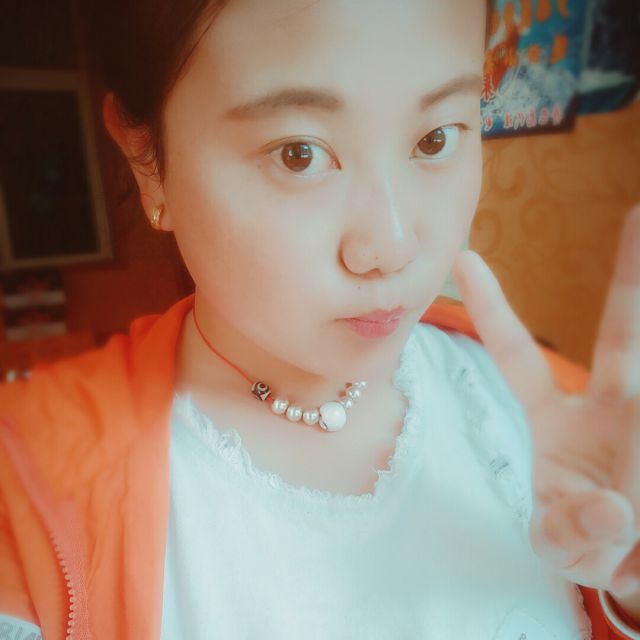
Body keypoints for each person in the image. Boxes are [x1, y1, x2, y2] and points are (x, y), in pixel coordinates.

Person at [1, 0, 639, 637]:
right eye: (298, 154)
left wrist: (629, 593)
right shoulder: (26, 492)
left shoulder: (545, 414)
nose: (392, 246)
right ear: (147, 159)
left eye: (436, 138)